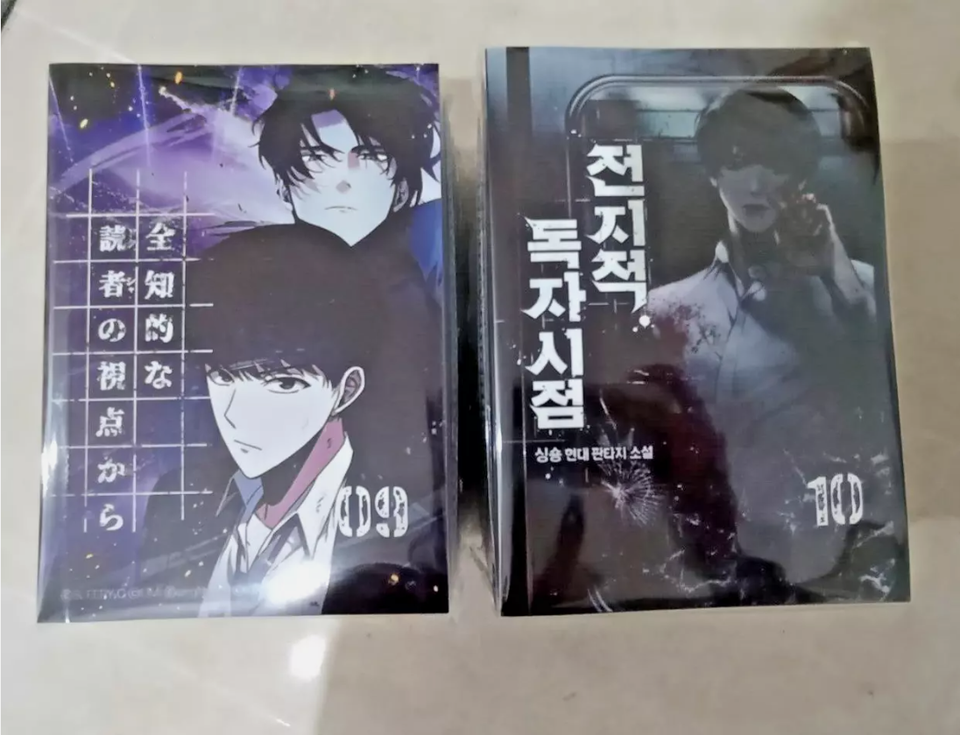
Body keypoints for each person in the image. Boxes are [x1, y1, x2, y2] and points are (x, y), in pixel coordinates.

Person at [643, 87, 904, 595]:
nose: (757, 182)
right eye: (738, 160)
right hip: (706, 558)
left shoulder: (859, 289)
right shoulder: (666, 307)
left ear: (801, 175)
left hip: (838, 555)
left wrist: (834, 272)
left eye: (776, 162)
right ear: (714, 172)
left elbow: (886, 397)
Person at [137, 225, 446, 616]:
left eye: (283, 384)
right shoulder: (177, 502)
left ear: (346, 389)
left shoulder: (412, 514)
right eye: (224, 377)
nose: (237, 414)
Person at [255, 65, 443, 293]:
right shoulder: (253, 276)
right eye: (318, 158)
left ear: (402, 190)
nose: (343, 184)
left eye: (368, 157)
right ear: (284, 188)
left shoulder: (430, 261)